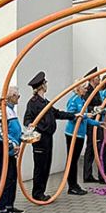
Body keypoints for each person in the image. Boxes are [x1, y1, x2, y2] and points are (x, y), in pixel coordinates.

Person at [22, 71, 75, 201]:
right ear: (41, 86)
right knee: (40, 166)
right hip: (40, 139)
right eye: (45, 83)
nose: (47, 85)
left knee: (46, 165)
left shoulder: (46, 102)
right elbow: (27, 120)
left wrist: (73, 115)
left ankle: (42, 192)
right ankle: (37, 193)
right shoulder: (33, 103)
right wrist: (34, 127)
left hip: (48, 138)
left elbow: (57, 113)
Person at [0, 85, 24, 213]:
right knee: (5, 176)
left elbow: (13, 129)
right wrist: (12, 144)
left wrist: (22, 136)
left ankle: (9, 205)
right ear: (11, 96)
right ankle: (0, 208)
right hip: (4, 147)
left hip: (12, 148)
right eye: (17, 95)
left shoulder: (11, 110)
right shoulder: (1, 110)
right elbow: (0, 132)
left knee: (12, 176)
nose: (19, 98)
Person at [65, 72, 98, 195]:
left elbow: (85, 118)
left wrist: (98, 124)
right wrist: (84, 115)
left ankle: (74, 185)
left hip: (80, 134)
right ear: (78, 88)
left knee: (75, 159)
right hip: (72, 134)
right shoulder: (73, 100)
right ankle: (72, 186)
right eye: (84, 87)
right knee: (72, 161)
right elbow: (71, 116)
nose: (86, 89)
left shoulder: (82, 100)